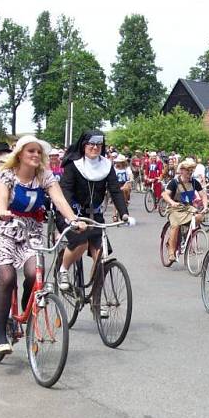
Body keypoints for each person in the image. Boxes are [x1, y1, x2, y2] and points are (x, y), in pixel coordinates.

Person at [0, 135, 84, 354]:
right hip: (5, 230)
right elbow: (2, 197)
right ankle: (1, 333)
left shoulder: (45, 177)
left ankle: (24, 311)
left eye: (39, 152)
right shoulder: (7, 175)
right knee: (7, 276)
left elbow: (60, 201)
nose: (35, 155)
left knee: (34, 274)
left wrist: (73, 220)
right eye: (31, 151)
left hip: (31, 231)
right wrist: (2, 210)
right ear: (20, 154)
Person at [57, 130, 130, 312]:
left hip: (94, 216)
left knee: (101, 257)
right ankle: (63, 270)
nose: (95, 147)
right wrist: (71, 217)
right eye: (91, 144)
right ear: (84, 145)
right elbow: (65, 191)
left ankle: (96, 301)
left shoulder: (106, 165)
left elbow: (115, 190)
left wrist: (124, 214)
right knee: (80, 243)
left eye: (98, 144)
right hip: (71, 213)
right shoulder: (74, 165)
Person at [162, 158, 207, 265]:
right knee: (175, 225)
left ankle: (187, 234)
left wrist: (205, 206)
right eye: (187, 170)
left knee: (200, 217)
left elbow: (203, 195)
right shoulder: (174, 182)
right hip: (175, 208)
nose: (189, 173)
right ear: (181, 171)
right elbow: (164, 194)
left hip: (188, 207)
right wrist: (172, 202)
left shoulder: (195, 183)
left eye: (191, 170)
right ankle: (171, 251)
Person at [112, 154, 132, 221]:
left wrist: (130, 180)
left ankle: (125, 205)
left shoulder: (127, 168)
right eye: (117, 162)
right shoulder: (114, 168)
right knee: (116, 199)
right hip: (117, 184)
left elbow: (130, 175)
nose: (118, 163)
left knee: (125, 190)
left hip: (125, 183)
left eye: (120, 162)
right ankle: (114, 215)